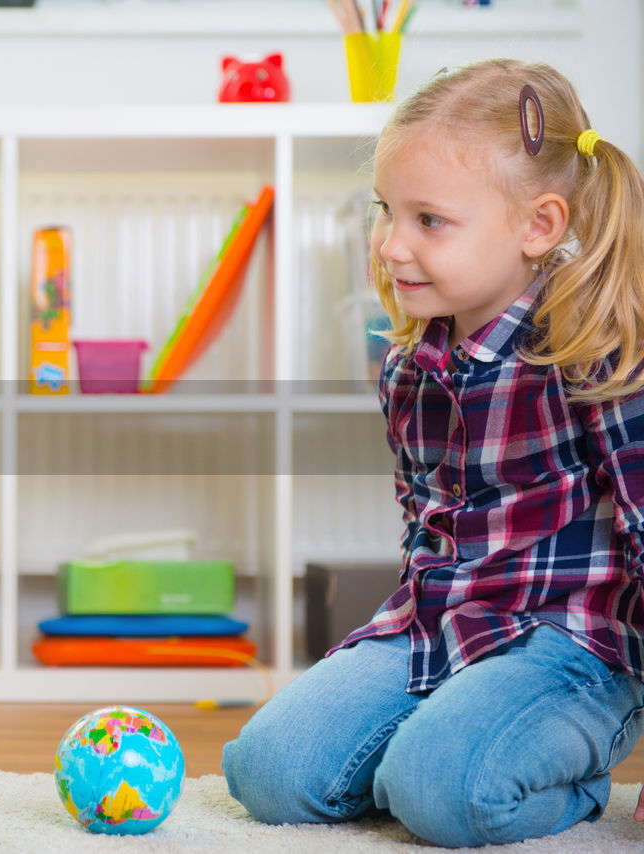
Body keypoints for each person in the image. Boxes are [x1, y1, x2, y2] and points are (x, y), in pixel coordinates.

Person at [222, 58, 644, 848]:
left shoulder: (602, 353)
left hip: (571, 647)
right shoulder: (409, 365)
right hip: (438, 628)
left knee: (444, 794)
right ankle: (437, 748)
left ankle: (563, 778)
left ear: (539, 226)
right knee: (267, 773)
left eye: (429, 221)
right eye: (386, 212)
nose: (388, 245)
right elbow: (427, 527)